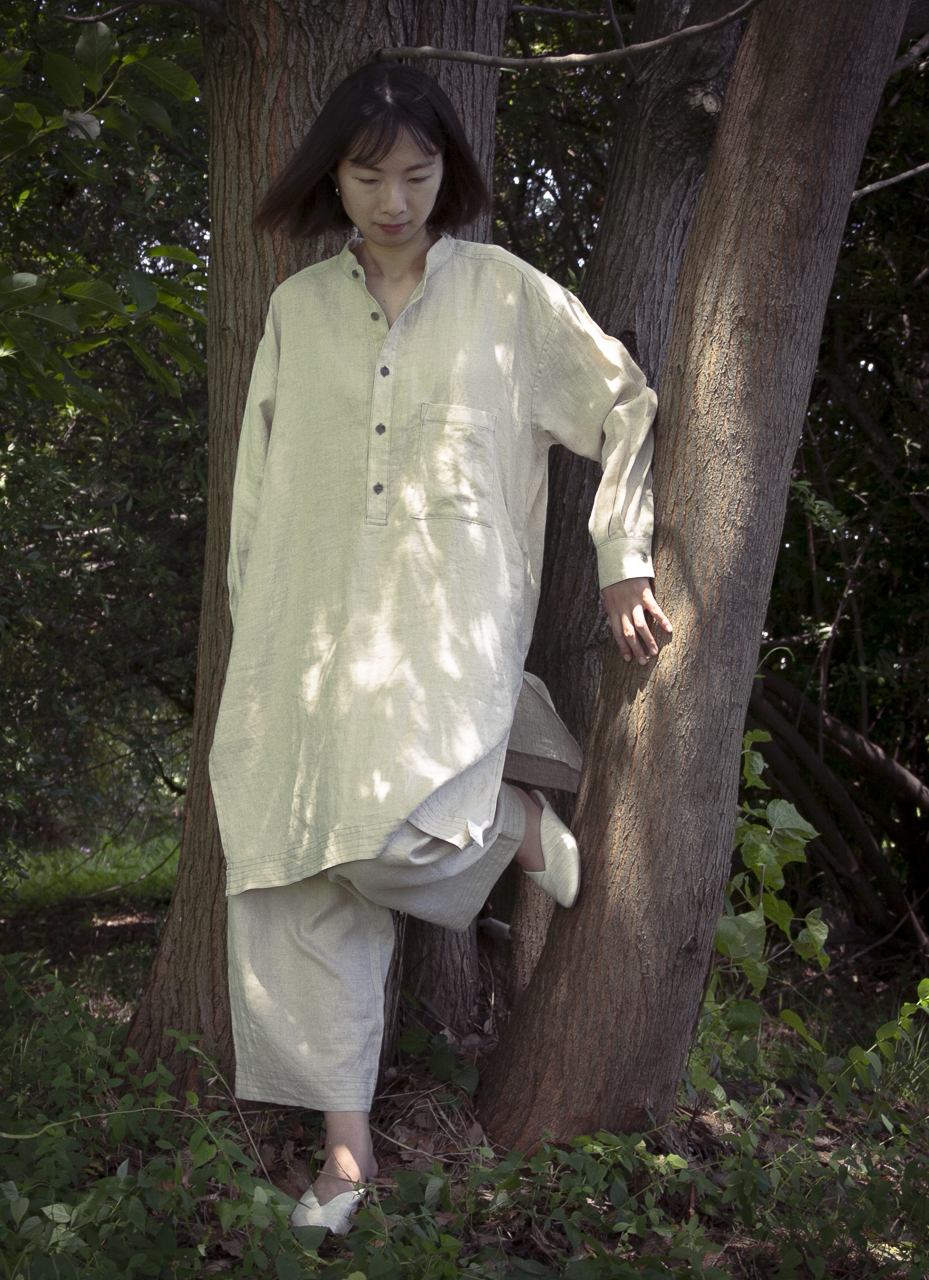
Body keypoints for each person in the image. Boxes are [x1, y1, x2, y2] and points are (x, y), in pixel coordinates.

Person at [208, 62, 672, 1235]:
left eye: (417, 174)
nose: (394, 200)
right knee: (291, 866)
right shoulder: (297, 311)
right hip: (309, 629)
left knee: (386, 832)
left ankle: (511, 824)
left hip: (448, 626)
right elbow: (257, 488)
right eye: (369, 176)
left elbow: (622, 401)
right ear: (333, 178)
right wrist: (254, 633)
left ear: (446, 173)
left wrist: (622, 552)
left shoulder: (504, 295)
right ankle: (346, 1158)